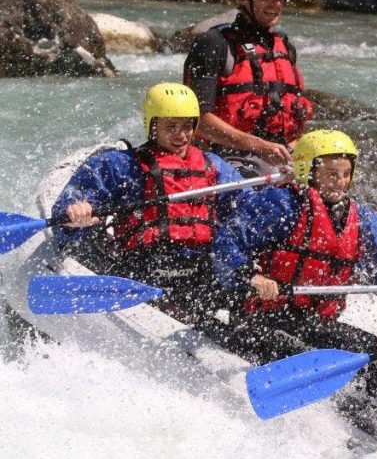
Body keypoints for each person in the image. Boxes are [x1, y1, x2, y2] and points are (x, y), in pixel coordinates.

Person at [211, 129, 377, 362]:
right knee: (367, 354)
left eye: (346, 173)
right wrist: (252, 277)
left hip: (314, 322)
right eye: (331, 174)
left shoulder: (362, 218)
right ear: (307, 171)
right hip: (263, 317)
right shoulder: (282, 204)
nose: (340, 182)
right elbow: (227, 241)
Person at [52, 83, 245, 320]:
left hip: (202, 268)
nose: (181, 135)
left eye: (187, 126)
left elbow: (248, 205)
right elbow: (70, 201)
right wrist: (75, 212)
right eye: (171, 127)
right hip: (144, 267)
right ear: (152, 126)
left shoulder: (213, 166)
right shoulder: (122, 165)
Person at [183, 0, 312, 176]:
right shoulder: (214, 44)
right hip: (226, 155)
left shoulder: (284, 47)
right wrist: (256, 145)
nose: (276, 4)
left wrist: (297, 147)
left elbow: (296, 110)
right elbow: (196, 119)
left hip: (281, 154)